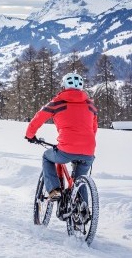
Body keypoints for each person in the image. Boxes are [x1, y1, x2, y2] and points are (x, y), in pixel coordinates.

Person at [25, 73, 97, 201]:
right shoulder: (91, 106)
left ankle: (54, 189)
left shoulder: (57, 103)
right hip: (88, 151)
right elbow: (93, 129)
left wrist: (30, 135)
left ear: (63, 86)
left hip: (66, 150)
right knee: (79, 182)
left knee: (47, 157)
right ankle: (83, 210)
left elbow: (38, 118)